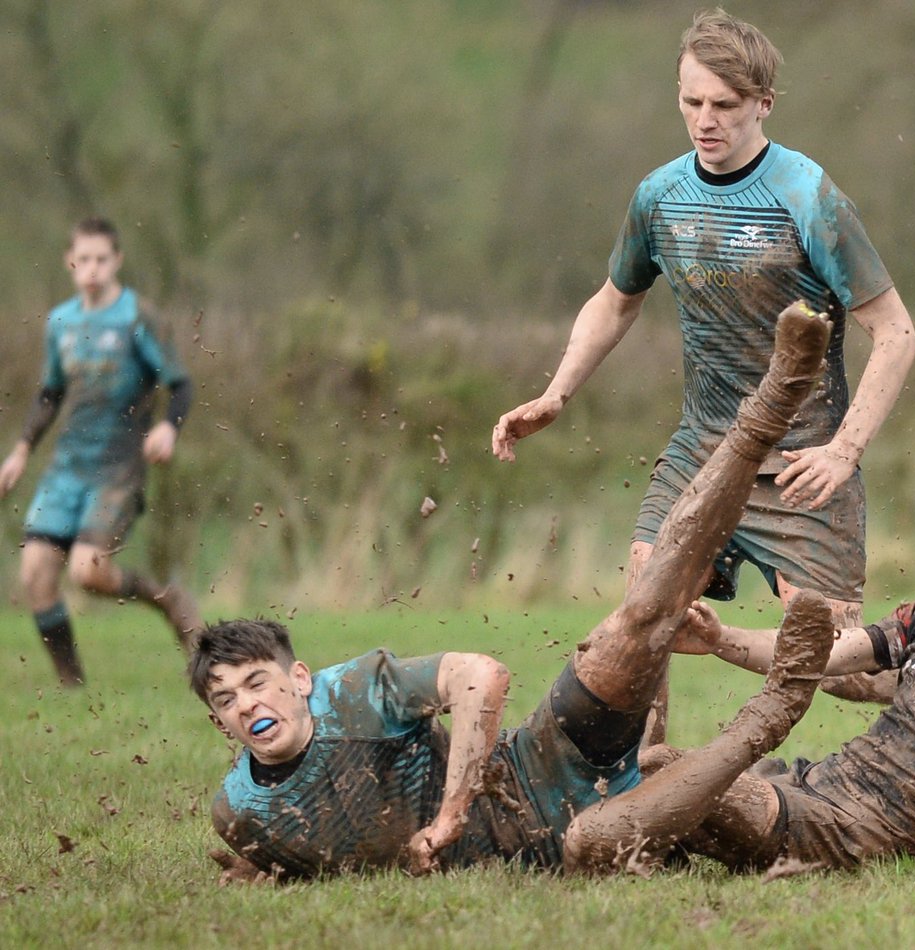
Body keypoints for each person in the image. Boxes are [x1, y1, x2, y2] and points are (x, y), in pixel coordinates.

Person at [194, 304, 838, 883]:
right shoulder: (242, 815)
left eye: (256, 682)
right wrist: (262, 869)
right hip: (576, 841)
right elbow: (304, 843)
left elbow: (482, 676)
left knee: (642, 615)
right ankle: (729, 754)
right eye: (225, 699)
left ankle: (769, 408)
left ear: (298, 677)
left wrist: (450, 816)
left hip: (542, 763)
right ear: (217, 719)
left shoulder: (358, 691)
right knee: (670, 806)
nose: (247, 704)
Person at [492, 9, 915, 642]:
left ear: (763, 103)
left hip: (803, 461)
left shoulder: (809, 197)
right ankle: (645, 748)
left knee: (834, 660)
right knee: (642, 619)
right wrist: (557, 393)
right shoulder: (659, 195)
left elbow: (897, 334)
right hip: (703, 446)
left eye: (725, 103)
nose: (705, 119)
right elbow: (615, 301)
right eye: (692, 102)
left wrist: (843, 452)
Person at [563, 465, 915, 873]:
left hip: (852, 832)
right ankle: (638, 851)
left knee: (668, 785)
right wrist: (719, 639)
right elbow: (823, 654)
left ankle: (583, 852)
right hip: (810, 784)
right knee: (659, 764)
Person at [0, 217, 201, 686]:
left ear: (117, 262)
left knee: (88, 573)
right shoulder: (61, 322)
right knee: (35, 575)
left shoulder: (137, 316)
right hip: (67, 464)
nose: (92, 269)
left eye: (101, 260)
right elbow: (49, 393)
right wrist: (20, 452)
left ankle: (166, 598)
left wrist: (169, 429)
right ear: (70, 263)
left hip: (118, 466)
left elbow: (181, 383)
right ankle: (72, 687)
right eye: (83, 259)